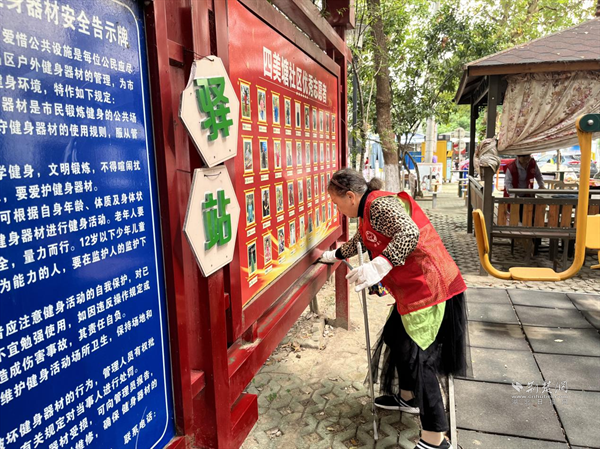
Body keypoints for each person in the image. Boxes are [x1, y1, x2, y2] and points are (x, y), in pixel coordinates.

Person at [319, 168, 469, 449]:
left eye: (336, 203)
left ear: (350, 196)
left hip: (430, 288)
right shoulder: (367, 210)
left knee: (420, 358)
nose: (337, 209)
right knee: (396, 337)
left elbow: (409, 233)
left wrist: (379, 265)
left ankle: (435, 439)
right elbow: (364, 239)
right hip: (412, 290)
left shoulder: (379, 205)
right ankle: (408, 398)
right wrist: (334, 255)